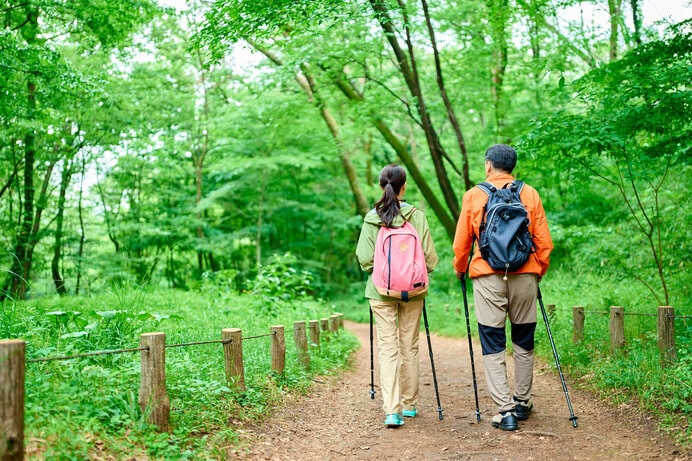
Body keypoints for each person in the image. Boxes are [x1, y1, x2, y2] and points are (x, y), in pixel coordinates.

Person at [452, 144, 553, 431]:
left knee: (493, 340)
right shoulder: (529, 193)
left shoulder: (474, 195)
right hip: (525, 274)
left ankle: (505, 411)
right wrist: (538, 271)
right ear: (513, 166)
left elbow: (462, 243)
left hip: (487, 275)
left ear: (488, 165)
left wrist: (460, 269)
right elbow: (544, 242)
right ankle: (522, 401)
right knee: (523, 338)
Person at [356, 164, 438, 428]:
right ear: (405, 186)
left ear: (382, 186)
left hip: (380, 292)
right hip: (413, 292)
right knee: (409, 347)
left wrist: (381, 272)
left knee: (388, 349)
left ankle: (392, 411)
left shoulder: (372, 218)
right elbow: (431, 259)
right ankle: (410, 405)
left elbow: (365, 259)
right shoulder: (418, 216)